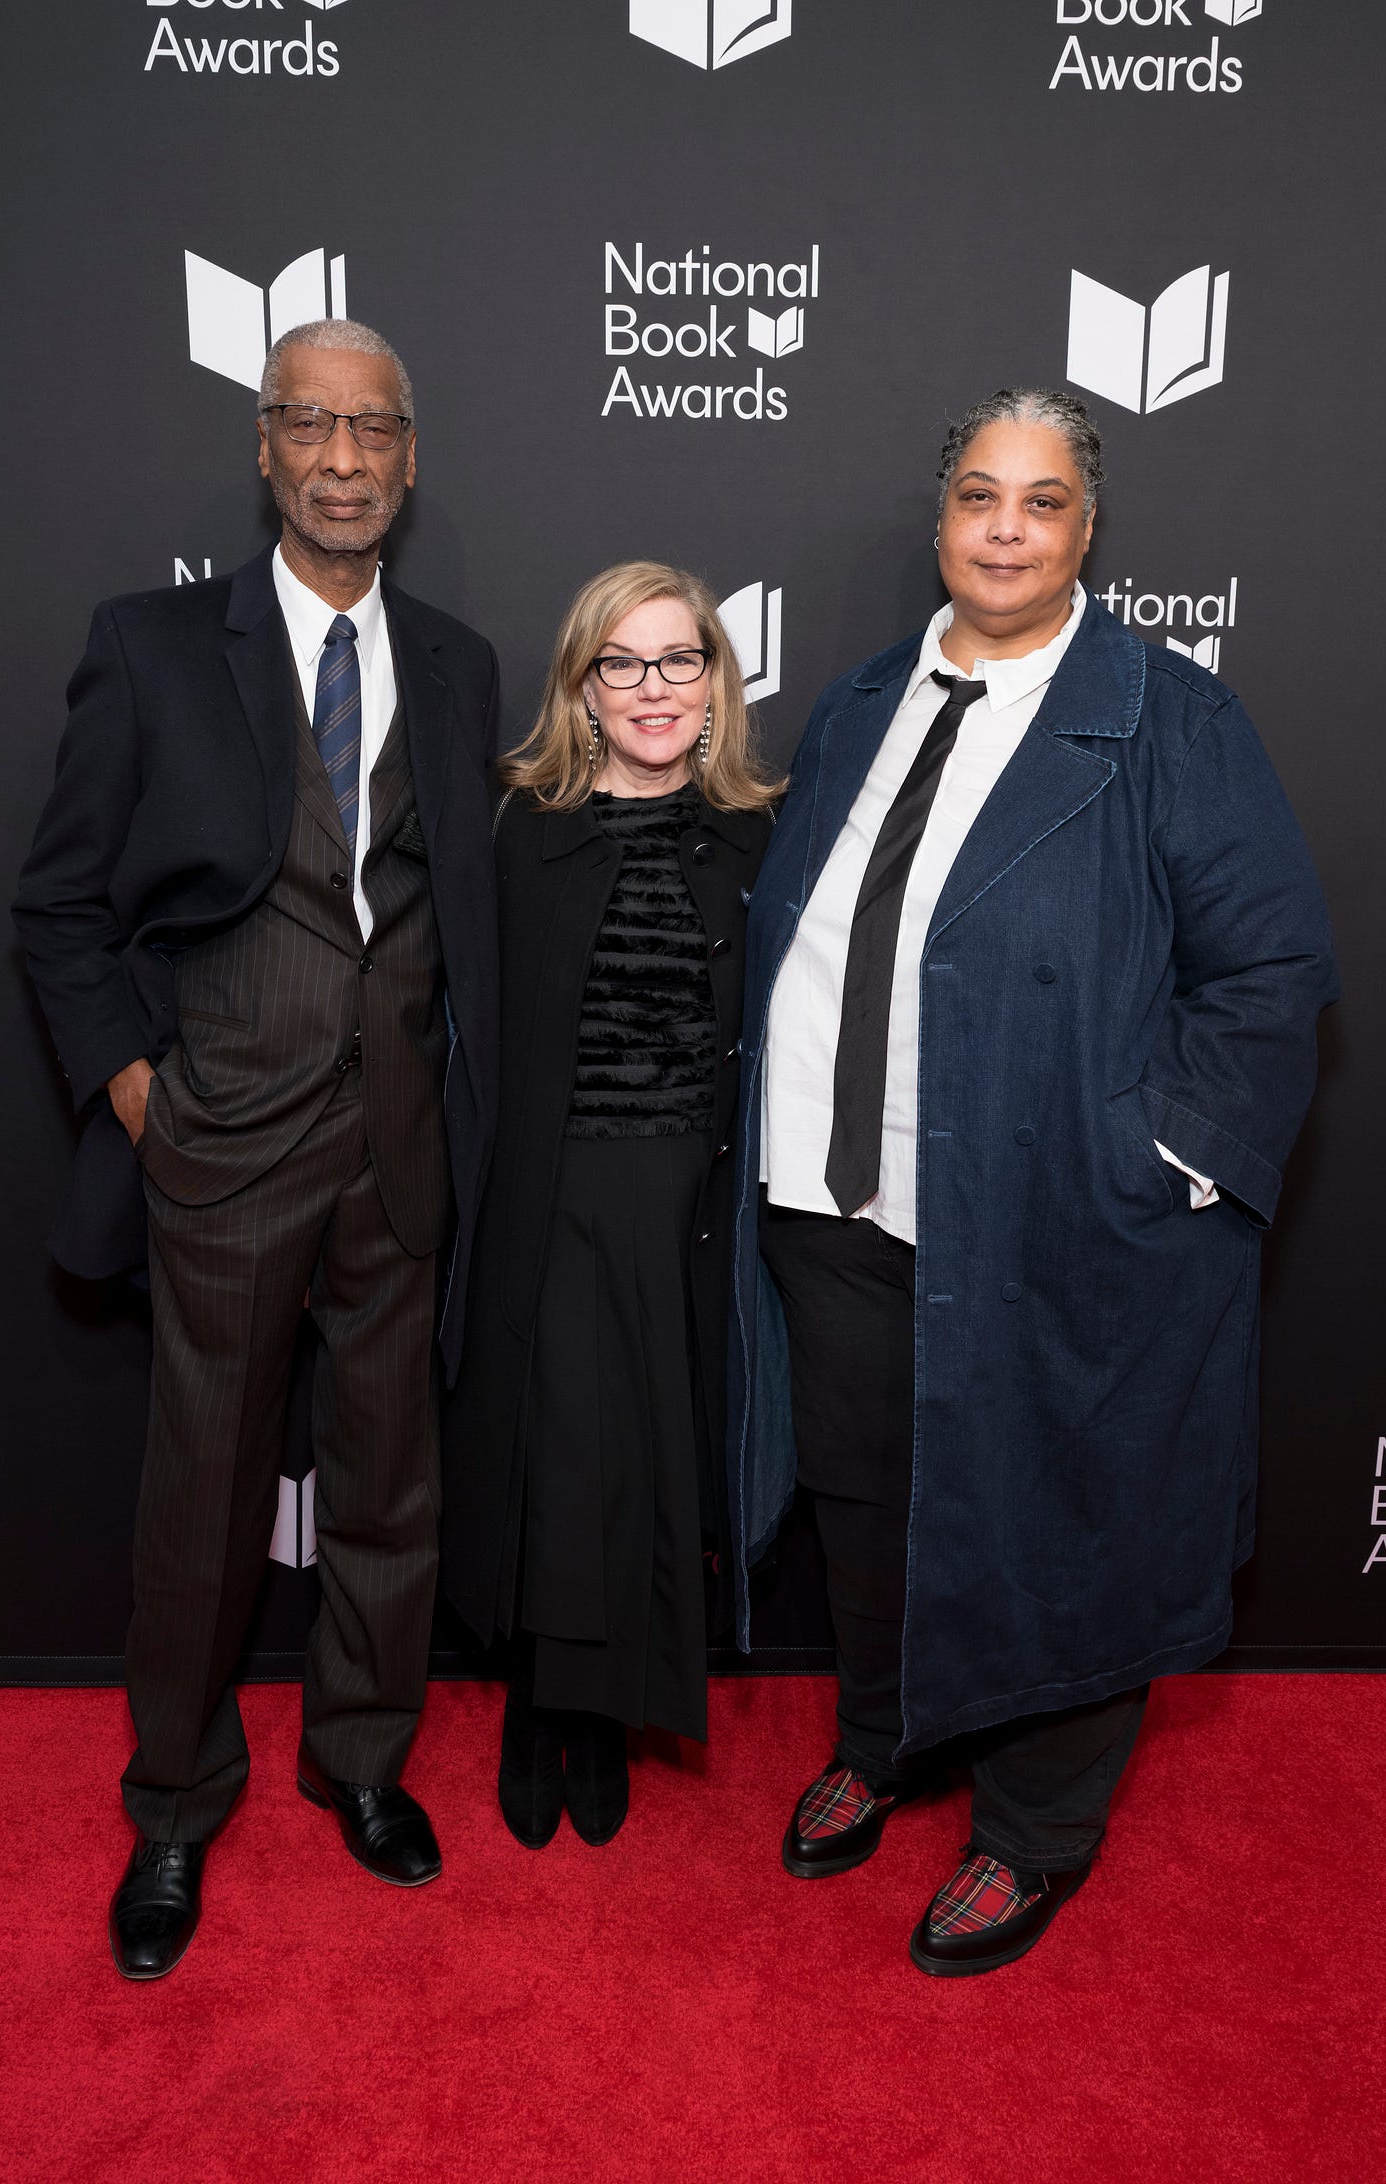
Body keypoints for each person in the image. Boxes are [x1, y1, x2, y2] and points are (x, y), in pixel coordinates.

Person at [728, 389, 1337, 1976]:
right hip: (834, 1198)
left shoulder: (1167, 718)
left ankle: (1032, 1827)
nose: (1006, 528)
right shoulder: (864, 700)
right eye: (982, 498)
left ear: (1086, 530)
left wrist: (1166, 1163)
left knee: (1065, 1514)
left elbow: (1271, 970)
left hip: (1050, 1211)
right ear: (939, 523)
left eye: (1044, 502)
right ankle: (892, 1732)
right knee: (868, 1501)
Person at [13, 318, 500, 1979]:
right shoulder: (150, 646)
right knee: (200, 1495)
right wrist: (140, 1092)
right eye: (311, 422)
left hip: (401, 1143)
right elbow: (62, 905)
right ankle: (172, 1804)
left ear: (410, 459)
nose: (345, 456)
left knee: (390, 1482)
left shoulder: (456, 660)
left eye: (375, 428)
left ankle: (363, 1759)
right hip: (221, 1139)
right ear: (267, 449)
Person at [440, 562, 779, 1847]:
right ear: (582, 687)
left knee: (651, 1458)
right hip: (556, 1191)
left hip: (693, 1208)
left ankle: (615, 1702)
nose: (653, 689)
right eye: (621, 664)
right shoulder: (525, 829)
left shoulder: (760, 831)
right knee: (559, 1456)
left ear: (714, 682)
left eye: (679, 660)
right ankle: (548, 1703)